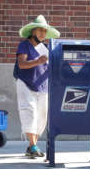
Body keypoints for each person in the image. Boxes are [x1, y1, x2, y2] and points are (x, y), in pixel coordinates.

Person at [13, 15, 60, 158]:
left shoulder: (46, 48)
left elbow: (52, 67)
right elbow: (21, 64)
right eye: (40, 30)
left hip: (43, 87)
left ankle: (31, 147)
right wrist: (38, 61)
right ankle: (33, 146)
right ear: (33, 31)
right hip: (26, 84)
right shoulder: (24, 45)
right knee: (30, 113)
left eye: (44, 31)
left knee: (41, 118)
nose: (42, 33)